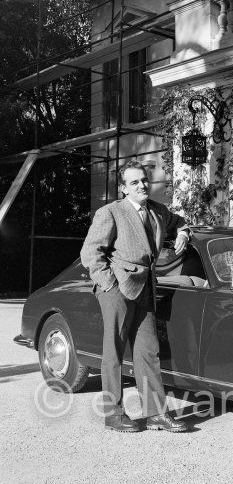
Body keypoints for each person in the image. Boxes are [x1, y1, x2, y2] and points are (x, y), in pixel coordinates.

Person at [81, 159, 192, 433]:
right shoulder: (110, 212)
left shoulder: (157, 211)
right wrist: (108, 284)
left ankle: (155, 414)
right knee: (114, 353)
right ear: (123, 189)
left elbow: (180, 221)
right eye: (134, 182)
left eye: (144, 180)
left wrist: (183, 233)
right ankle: (113, 415)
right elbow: (90, 253)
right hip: (116, 287)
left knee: (148, 352)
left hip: (145, 289)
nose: (142, 185)